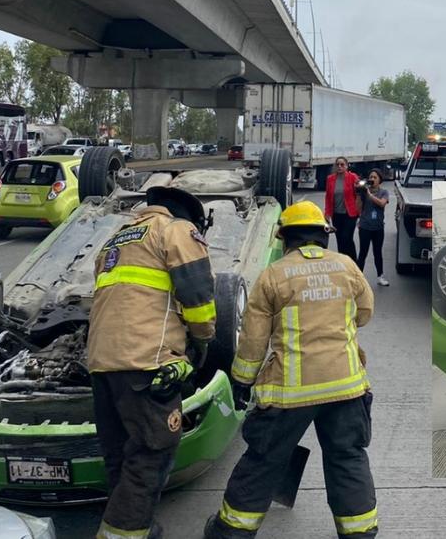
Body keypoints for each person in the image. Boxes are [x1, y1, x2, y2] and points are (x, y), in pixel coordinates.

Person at [204, 200, 377, 539]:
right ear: (322, 237)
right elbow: (365, 312)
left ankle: (232, 532)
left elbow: (253, 341)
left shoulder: (273, 275)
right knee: (348, 456)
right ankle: (360, 532)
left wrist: (241, 381)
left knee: (263, 459)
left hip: (290, 393)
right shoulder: (346, 266)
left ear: (285, 239)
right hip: (346, 386)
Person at [89, 186, 216, 539]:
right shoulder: (176, 230)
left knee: (121, 453)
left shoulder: (115, 240)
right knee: (152, 451)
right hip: (146, 361)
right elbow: (197, 294)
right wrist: (203, 340)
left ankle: (136, 525)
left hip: (101, 362)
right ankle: (124, 533)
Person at [356, 168, 390, 286]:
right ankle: (358, 278)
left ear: (380, 179)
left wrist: (369, 194)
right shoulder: (364, 192)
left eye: (375, 177)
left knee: (377, 252)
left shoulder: (384, 192)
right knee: (363, 253)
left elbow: (382, 203)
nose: (372, 179)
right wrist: (360, 194)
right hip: (365, 226)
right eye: (370, 177)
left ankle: (380, 276)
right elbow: (358, 209)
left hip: (378, 227)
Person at [324, 156, 361, 261]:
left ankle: (353, 262)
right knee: (339, 240)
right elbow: (328, 197)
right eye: (337, 165)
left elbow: (359, 194)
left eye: (342, 165)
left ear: (347, 166)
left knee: (347, 238)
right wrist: (327, 213)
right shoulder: (330, 179)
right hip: (336, 214)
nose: (339, 167)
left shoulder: (353, 177)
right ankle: (343, 262)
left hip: (350, 214)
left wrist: (360, 211)